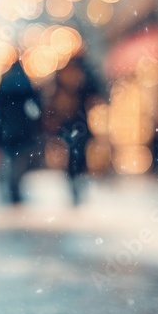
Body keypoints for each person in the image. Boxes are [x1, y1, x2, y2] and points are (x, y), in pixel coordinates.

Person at [45, 53, 104, 205]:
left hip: (68, 121)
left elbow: (52, 96)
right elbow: (94, 93)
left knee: (72, 153)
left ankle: (74, 179)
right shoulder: (84, 75)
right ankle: (78, 179)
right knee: (79, 152)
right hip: (80, 121)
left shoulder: (62, 74)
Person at [0, 62, 43, 204]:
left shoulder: (5, 84)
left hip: (8, 130)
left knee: (10, 162)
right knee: (19, 162)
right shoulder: (25, 87)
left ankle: (11, 189)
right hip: (21, 130)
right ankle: (15, 189)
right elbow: (35, 110)